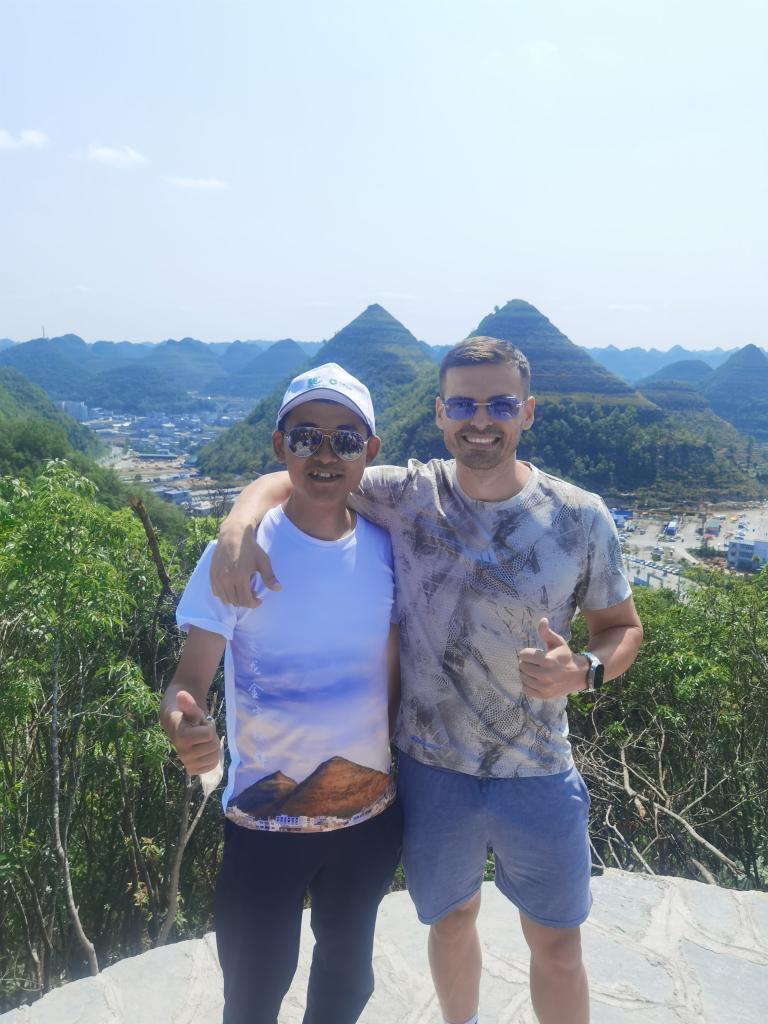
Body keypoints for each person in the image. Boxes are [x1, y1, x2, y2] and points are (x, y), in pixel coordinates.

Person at [210, 337, 643, 1024]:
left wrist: (585, 669)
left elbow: (622, 628)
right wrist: (239, 523)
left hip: (538, 768)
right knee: (451, 922)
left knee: (559, 945)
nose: (481, 420)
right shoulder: (408, 493)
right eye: (464, 405)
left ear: (528, 411)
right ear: (440, 412)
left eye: (500, 404)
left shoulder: (580, 516)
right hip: (432, 771)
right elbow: (304, 468)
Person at [160, 363, 403, 1024]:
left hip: (369, 820)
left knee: (346, 987)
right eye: (305, 437)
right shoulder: (237, 556)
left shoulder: (388, 549)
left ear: (369, 451)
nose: (325, 454)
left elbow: (392, 672)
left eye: (345, 440)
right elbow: (187, 683)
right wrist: (184, 726)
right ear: (279, 446)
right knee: (252, 994)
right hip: (263, 827)